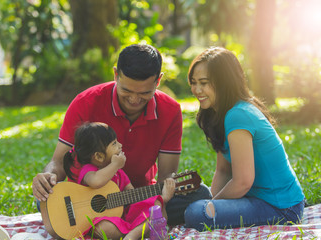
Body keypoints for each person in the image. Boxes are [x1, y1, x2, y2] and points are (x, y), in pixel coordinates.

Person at [32, 43, 212, 225]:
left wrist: (161, 198)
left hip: (139, 196)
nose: (134, 100)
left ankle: (112, 222)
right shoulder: (85, 102)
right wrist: (48, 177)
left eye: (144, 93)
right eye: (126, 90)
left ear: (158, 81)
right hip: (85, 198)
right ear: (116, 74)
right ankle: (129, 222)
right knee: (46, 199)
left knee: (202, 193)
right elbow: (58, 162)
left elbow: (167, 175)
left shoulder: (170, 110)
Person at [184, 47, 305, 231]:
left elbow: (242, 181)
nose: (197, 90)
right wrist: (211, 203)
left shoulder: (238, 114)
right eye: (194, 82)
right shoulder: (219, 115)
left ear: (224, 82)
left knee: (196, 212)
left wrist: (211, 207)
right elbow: (223, 171)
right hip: (255, 198)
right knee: (196, 201)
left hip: (283, 208)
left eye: (204, 83)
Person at [63, 122, 175, 239]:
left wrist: (162, 198)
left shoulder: (119, 173)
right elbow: (96, 181)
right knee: (103, 228)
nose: (120, 145)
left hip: (123, 219)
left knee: (156, 206)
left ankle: (133, 235)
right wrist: (115, 165)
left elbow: (133, 195)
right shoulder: (89, 170)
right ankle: (138, 232)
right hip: (100, 221)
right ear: (98, 156)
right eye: (114, 143)